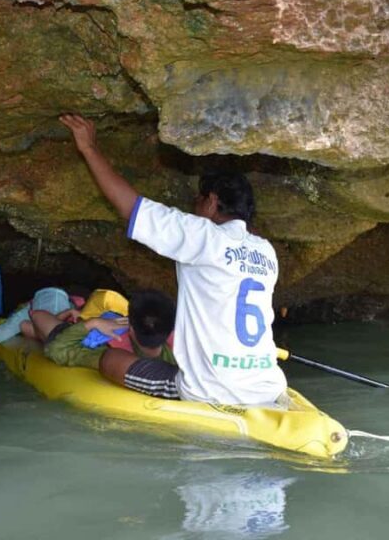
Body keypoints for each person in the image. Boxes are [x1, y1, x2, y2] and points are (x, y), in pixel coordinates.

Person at [59, 114, 286, 405]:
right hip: (267, 386)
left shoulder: (202, 234)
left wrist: (89, 149)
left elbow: (133, 209)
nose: (194, 207)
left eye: (198, 200)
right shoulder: (266, 252)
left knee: (111, 359)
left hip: (208, 391)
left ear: (212, 201)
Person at [28, 290, 177, 379]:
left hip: (74, 337)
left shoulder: (108, 356)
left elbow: (55, 350)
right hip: (96, 328)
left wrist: (93, 323)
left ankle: (67, 313)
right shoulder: (176, 354)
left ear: (131, 328)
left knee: (38, 316)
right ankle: (71, 313)